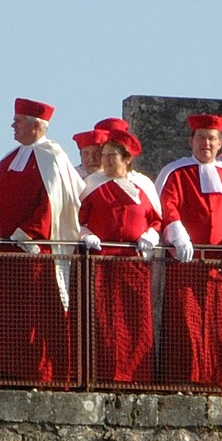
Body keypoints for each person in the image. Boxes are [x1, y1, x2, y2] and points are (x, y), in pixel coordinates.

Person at [156, 113, 222, 386]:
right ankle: (183, 383)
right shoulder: (177, 173)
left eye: (212, 138)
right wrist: (177, 234)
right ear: (190, 140)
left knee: (221, 327)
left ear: (219, 144)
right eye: (201, 137)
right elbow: (167, 207)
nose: (207, 143)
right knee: (185, 325)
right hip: (186, 266)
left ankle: (220, 383)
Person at [0, 97, 84, 386]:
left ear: (37, 125)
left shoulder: (53, 158)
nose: (13, 125)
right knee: (8, 316)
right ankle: (7, 373)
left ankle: (42, 375)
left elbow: (53, 202)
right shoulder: (6, 160)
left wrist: (26, 234)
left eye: (19, 120)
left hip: (37, 252)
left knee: (38, 315)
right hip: (7, 251)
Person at [75, 123, 163, 385]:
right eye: (104, 156)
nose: (106, 161)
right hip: (101, 264)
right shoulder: (90, 186)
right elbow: (74, 219)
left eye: (112, 156)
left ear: (127, 159)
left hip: (133, 266)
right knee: (102, 321)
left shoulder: (141, 187)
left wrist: (150, 235)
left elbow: (155, 220)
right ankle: (99, 376)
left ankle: (136, 377)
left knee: (135, 322)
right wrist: (85, 233)